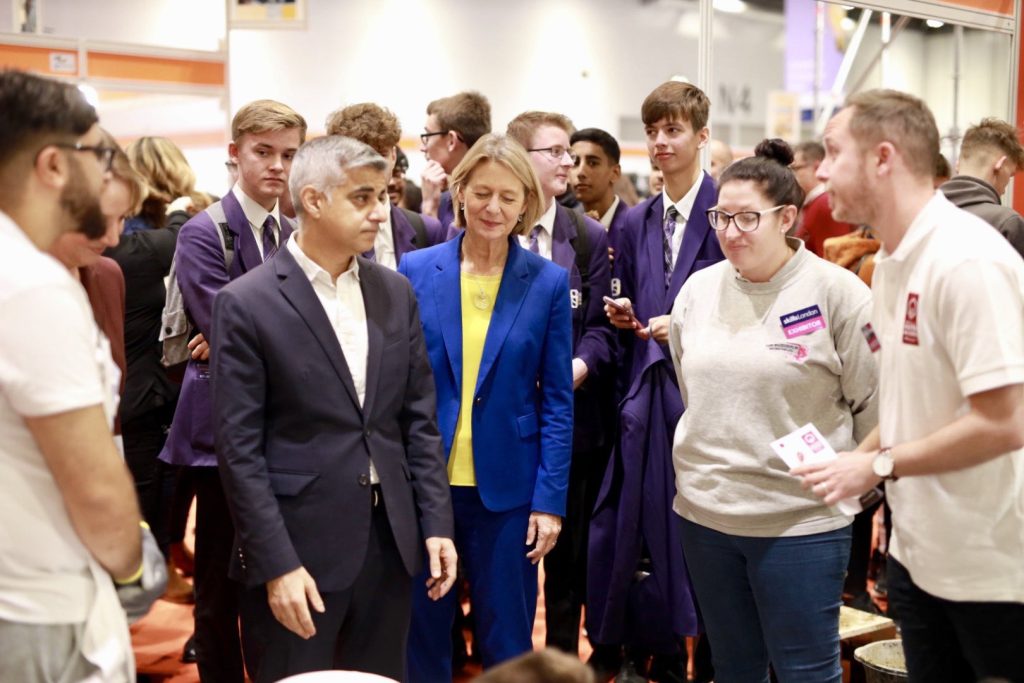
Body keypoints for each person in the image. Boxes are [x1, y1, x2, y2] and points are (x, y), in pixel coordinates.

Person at [796, 89, 1024, 683]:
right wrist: (856, 460)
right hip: (915, 555)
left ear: (883, 157)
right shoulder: (891, 263)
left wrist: (877, 466)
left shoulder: (969, 261)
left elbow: (1006, 422)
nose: (821, 171)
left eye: (834, 152)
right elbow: (910, 402)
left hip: (991, 568)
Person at [211, 134, 456, 682]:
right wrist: (276, 564)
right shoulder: (246, 302)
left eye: (382, 196)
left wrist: (437, 523)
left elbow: (418, 421)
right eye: (363, 197)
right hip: (297, 548)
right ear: (315, 200)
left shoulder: (394, 291)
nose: (380, 212)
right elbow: (239, 452)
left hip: (390, 543)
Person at [670, 139, 878, 683]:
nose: (730, 231)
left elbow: (874, 404)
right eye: (721, 217)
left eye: (747, 218)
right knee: (734, 668)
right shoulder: (697, 291)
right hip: (706, 515)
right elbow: (694, 389)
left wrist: (849, 484)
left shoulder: (839, 294)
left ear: (786, 218)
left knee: (806, 671)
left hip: (801, 523)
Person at [0, 69, 161, 681]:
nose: (107, 171)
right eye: (99, 155)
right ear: (53, 166)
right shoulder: (30, 285)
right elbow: (94, 486)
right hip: (41, 609)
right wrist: (132, 565)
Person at [400, 133, 574, 681]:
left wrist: (550, 501)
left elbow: (558, 402)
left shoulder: (547, 282)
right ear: (460, 193)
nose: (493, 208)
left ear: (526, 203)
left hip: (508, 492)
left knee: (508, 640)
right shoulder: (414, 268)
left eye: (507, 196)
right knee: (423, 635)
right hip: (427, 485)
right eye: (481, 193)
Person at [159, 98, 307, 683]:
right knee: (218, 583)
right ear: (235, 153)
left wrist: (243, 329)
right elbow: (229, 327)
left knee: (271, 573)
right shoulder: (203, 231)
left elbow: (297, 326)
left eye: (289, 155)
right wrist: (256, 330)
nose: (277, 166)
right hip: (220, 435)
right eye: (263, 152)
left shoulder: (293, 233)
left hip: (285, 429)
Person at [591, 80, 723, 682]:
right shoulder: (635, 221)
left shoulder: (726, 213)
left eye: (673, 130)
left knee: (704, 536)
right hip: (643, 396)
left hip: (707, 399)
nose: (661, 142)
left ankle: (713, 658)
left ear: (702, 136)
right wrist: (625, 317)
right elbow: (624, 302)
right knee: (640, 527)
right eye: (652, 132)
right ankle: (657, 651)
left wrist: (685, 327)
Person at [507, 112, 615, 657]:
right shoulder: (491, 228)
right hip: (503, 425)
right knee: (509, 561)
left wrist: (578, 367)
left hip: (569, 423)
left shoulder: (588, 236)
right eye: (553, 151)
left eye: (567, 151)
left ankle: (562, 661)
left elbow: (601, 329)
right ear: (518, 157)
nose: (567, 162)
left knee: (568, 563)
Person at [115, 135, 209, 608]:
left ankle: (169, 552)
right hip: (141, 384)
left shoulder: (160, 229)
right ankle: (154, 567)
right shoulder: (133, 236)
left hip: (166, 380)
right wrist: (181, 212)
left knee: (174, 481)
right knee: (151, 486)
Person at [325, 103, 446, 268]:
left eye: (380, 155)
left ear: (393, 156)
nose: (372, 166)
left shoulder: (426, 230)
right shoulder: (319, 231)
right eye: (360, 157)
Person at [940, 117, 1024, 258]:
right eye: (1010, 176)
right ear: (1000, 165)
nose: (1004, 190)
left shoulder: (921, 213)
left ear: (957, 164)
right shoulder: (1008, 224)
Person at [420, 90, 491, 228]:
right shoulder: (448, 194)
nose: (423, 148)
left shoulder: (475, 202)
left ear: (451, 141)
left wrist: (429, 208)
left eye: (428, 136)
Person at [570, 127, 629, 266]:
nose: (580, 172)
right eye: (575, 163)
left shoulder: (637, 226)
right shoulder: (564, 227)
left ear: (615, 173)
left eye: (592, 163)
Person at [791, 141, 855, 256]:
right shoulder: (815, 203)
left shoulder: (825, 204)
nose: (793, 175)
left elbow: (835, 257)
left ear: (816, 167)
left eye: (796, 168)